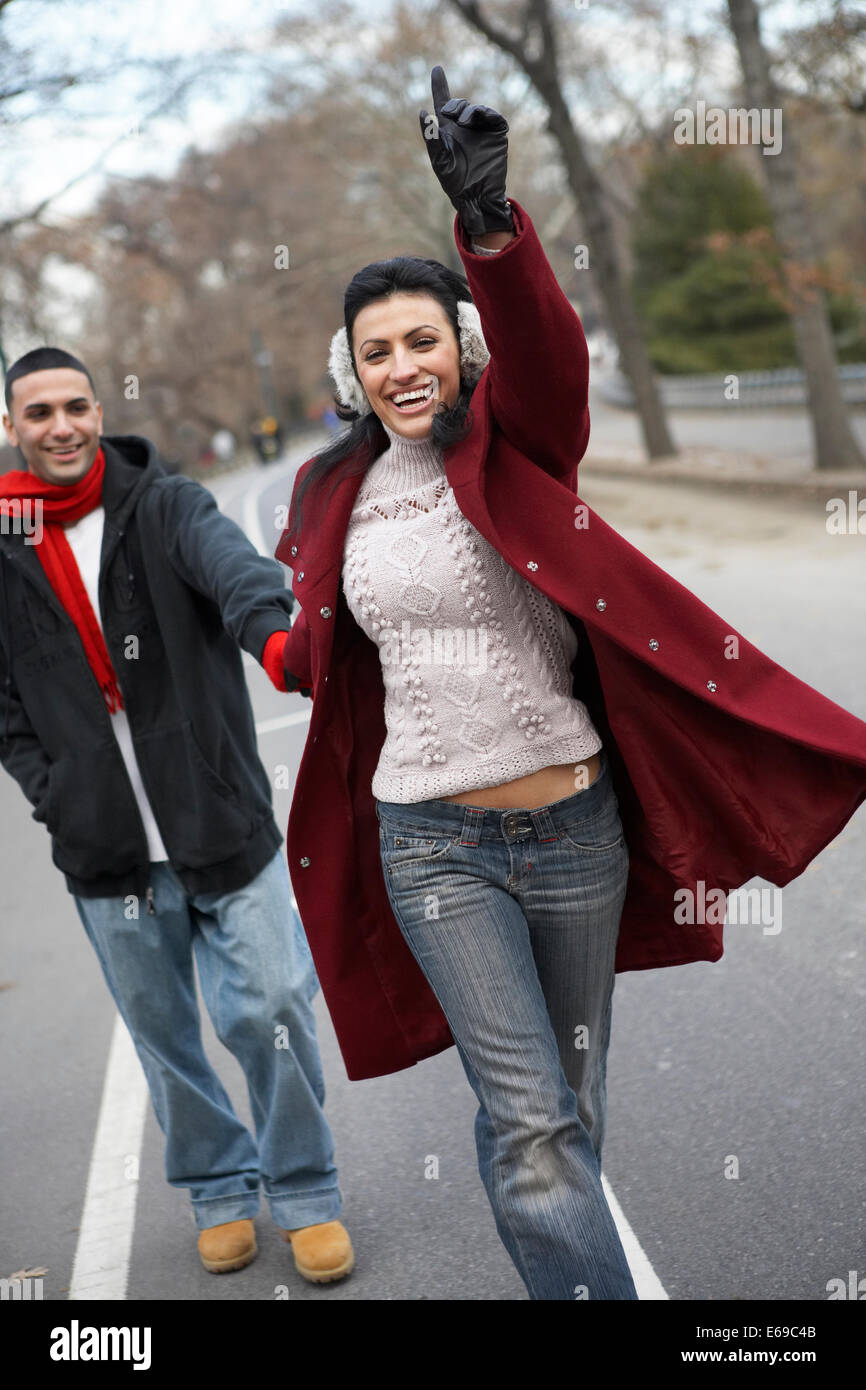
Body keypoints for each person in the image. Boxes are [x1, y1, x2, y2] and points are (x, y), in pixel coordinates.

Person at [268, 67, 866, 1301]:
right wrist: (262, 636)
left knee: (569, 1108)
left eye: (421, 338)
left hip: (572, 835)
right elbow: (315, 643)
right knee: (530, 1123)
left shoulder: (518, 441)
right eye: (375, 351)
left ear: (459, 347)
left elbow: (546, 356)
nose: (400, 364)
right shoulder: (329, 492)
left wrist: (487, 229)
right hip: (432, 845)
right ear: (354, 371)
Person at [0, 347, 351, 1283]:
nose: (63, 426)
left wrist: (275, 635)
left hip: (220, 816)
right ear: (12, 428)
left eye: (76, 406)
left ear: (99, 410)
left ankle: (308, 1189)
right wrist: (54, 793)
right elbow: (4, 704)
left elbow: (235, 571)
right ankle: (221, 1191)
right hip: (107, 848)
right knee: (163, 1036)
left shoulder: (166, 506)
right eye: (39, 414)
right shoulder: (4, 543)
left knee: (272, 1002)